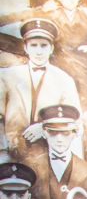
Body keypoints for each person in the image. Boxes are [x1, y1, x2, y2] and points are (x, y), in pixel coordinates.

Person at [0, 18, 80, 157]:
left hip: (48, 151)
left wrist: (44, 127)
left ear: (51, 48)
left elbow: (74, 122)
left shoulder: (64, 80)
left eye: (43, 46)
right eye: (33, 45)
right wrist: (5, 147)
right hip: (10, 151)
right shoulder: (6, 76)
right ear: (25, 47)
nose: (38, 51)